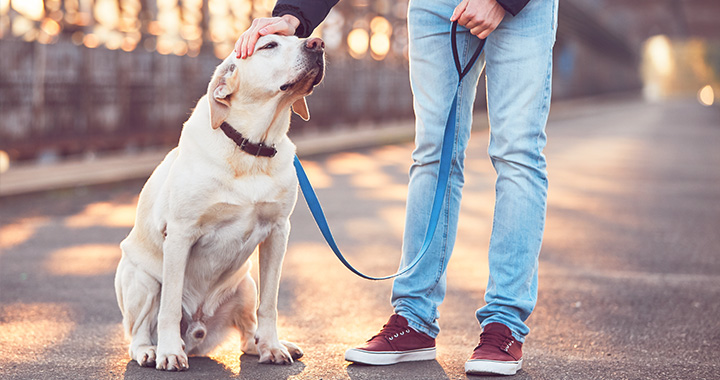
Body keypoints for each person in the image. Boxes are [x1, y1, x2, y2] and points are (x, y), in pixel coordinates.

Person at [235, 0, 557, 375]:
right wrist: (294, 14)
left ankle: (504, 324)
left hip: (524, 10)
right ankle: (414, 319)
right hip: (436, 8)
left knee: (516, 152)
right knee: (432, 154)